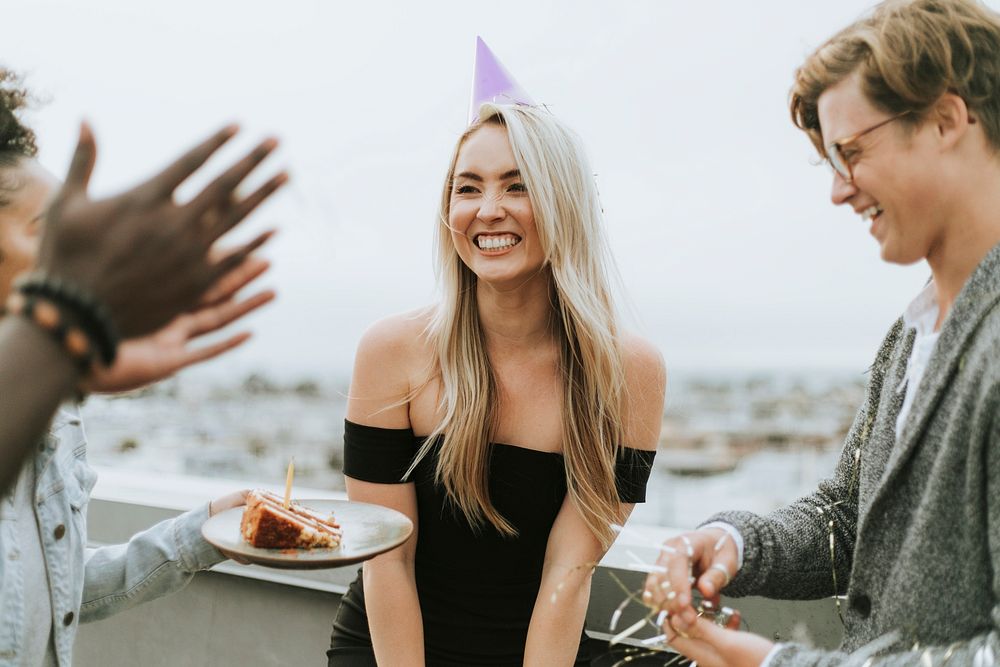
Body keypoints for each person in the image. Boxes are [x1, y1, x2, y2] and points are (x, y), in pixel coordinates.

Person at [643, 0, 1000, 665]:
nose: (840, 191)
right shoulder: (911, 335)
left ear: (948, 119)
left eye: (853, 151)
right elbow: (849, 519)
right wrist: (736, 543)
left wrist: (776, 662)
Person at [326, 61, 666, 665]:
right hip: (391, 647)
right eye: (468, 186)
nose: (488, 209)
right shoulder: (392, 351)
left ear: (564, 203)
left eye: (517, 185)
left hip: (544, 648)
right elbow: (387, 559)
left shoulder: (629, 371)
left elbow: (571, 567)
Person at [0, 69, 287, 665]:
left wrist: (200, 532)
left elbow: (60, 590)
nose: (85, 257)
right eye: (53, 233)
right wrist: (58, 331)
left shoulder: (55, 417)